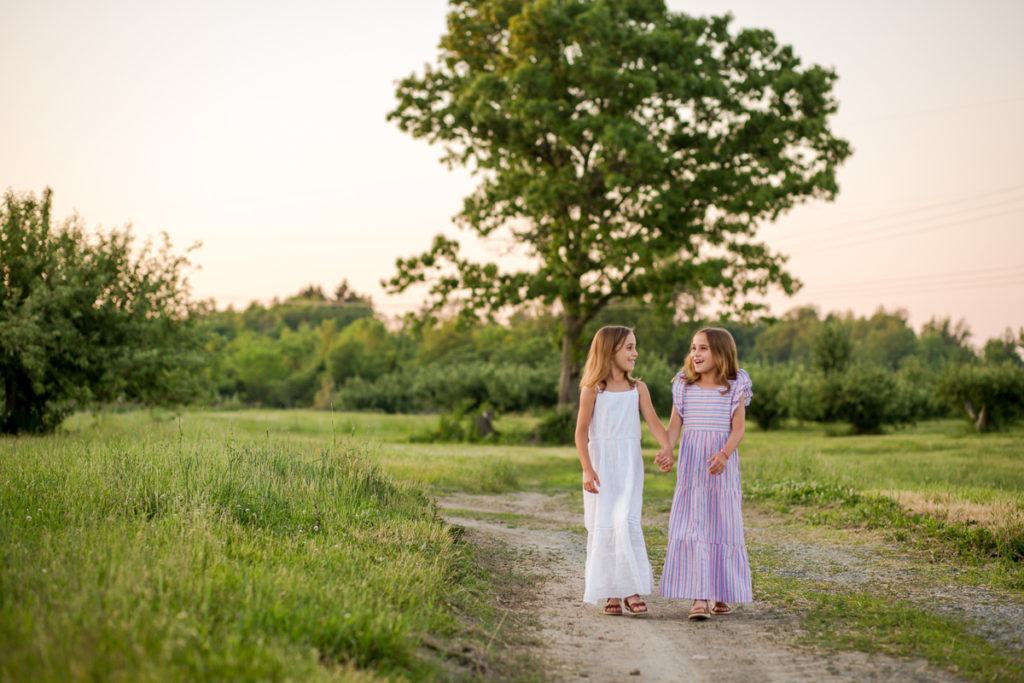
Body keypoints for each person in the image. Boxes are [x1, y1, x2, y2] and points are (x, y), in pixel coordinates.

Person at [655, 327, 753, 621]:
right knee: (693, 527)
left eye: (703, 349)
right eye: (693, 348)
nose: (694, 354)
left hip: (720, 468)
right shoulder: (684, 386)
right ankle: (699, 596)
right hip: (692, 471)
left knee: (722, 526)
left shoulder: (734, 386)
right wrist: (667, 449)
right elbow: (674, 427)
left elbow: (738, 429)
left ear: (721, 353)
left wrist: (724, 454)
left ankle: (721, 591)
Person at [575, 325, 671, 616]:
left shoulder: (637, 389)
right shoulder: (593, 389)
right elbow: (580, 433)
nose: (635, 353)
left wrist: (666, 447)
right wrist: (587, 469)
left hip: (629, 465)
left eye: (634, 346)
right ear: (610, 351)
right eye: (629, 347)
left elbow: (654, 422)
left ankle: (630, 588)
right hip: (602, 466)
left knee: (626, 520)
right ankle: (612, 592)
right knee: (605, 523)